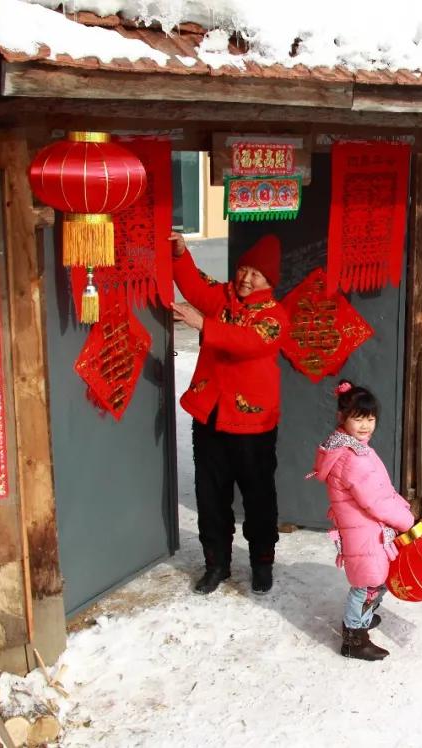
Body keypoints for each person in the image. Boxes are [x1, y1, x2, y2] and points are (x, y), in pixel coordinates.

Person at [169, 232, 289, 596]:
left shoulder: (275, 317)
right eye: (244, 269)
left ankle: (261, 562)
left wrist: (203, 324)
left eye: (257, 274)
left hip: (253, 425)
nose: (246, 278)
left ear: (270, 282)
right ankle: (216, 563)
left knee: (258, 497)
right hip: (210, 416)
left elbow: (246, 343)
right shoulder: (221, 298)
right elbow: (192, 283)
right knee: (210, 494)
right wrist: (180, 253)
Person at [309, 381, 415, 661]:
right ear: (342, 418)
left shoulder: (354, 448)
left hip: (367, 530)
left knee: (373, 581)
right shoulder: (352, 458)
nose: (366, 425)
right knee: (368, 585)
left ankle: (362, 619)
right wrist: (407, 520)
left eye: (370, 418)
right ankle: (354, 638)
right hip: (366, 532)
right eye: (358, 418)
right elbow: (376, 501)